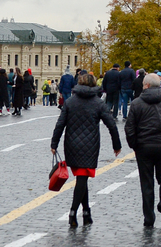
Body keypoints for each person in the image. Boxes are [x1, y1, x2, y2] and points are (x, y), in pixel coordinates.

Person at [50, 73, 122, 228]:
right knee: (82, 179)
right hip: (90, 145)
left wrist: (54, 143)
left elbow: (60, 124)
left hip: (71, 144)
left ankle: (87, 211)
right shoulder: (98, 103)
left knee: (82, 178)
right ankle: (73, 212)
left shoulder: (70, 102)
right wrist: (116, 144)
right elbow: (111, 125)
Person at [125, 73, 161, 227]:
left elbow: (129, 128)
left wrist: (134, 145)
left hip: (144, 147)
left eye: (143, 84)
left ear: (147, 86)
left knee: (146, 183)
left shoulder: (137, 103)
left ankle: (149, 218)